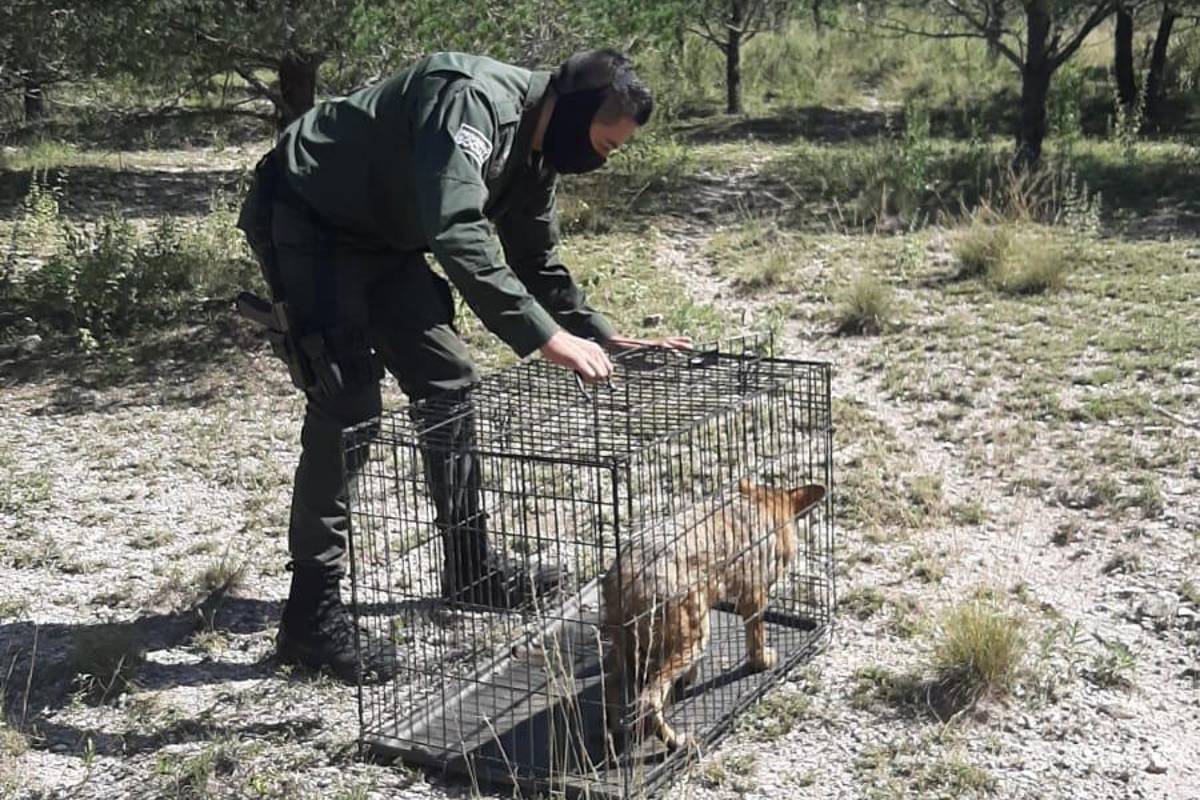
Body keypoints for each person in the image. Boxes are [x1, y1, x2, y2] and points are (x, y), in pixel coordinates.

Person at [235, 49, 690, 684]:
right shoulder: (472, 101)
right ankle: (310, 615)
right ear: (576, 111)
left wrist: (604, 338)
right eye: (604, 144)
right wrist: (543, 339)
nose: (602, 160)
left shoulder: (537, 152)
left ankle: (470, 566)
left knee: (449, 379)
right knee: (347, 403)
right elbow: (457, 231)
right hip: (312, 218)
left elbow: (536, 258)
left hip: (383, 239)